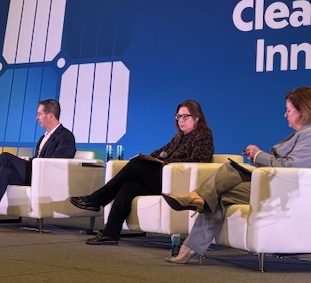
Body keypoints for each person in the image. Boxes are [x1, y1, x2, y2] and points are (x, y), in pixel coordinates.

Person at [162, 86, 311, 264]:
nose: (285, 114)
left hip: (289, 193)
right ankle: (192, 239)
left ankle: (194, 207)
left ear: (302, 111)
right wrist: (256, 157)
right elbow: (286, 165)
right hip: (278, 185)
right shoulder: (303, 133)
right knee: (225, 180)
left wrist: (259, 155)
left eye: (289, 110)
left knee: (221, 187)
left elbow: (291, 167)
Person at [69, 100, 214, 245]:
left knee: (136, 165)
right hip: (163, 179)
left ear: (197, 118)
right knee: (129, 186)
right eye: (178, 116)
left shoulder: (203, 136)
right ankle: (110, 233)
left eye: (185, 116)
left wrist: (166, 162)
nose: (181, 120)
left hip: (179, 183)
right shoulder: (178, 138)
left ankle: (97, 199)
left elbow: (198, 161)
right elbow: (159, 152)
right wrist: (150, 158)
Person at [0, 99, 76, 232]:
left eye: (39, 114)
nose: (37, 118)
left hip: (46, 178)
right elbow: (39, 159)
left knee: (5, 157)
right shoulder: (44, 137)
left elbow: (57, 164)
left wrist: (32, 163)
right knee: (4, 171)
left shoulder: (66, 136)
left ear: (50, 116)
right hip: (35, 173)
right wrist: (29, 161)